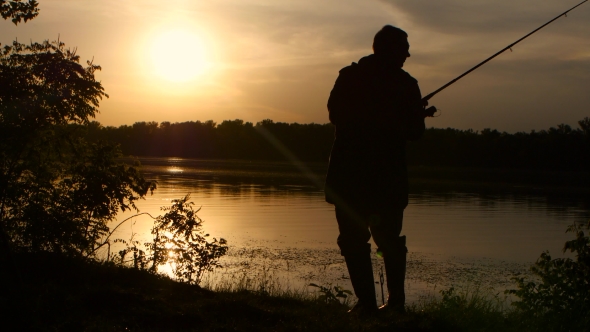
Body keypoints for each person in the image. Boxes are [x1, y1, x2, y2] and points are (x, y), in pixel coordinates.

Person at [325, 25, 435, 314]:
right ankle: (384, 304)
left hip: (355, 176)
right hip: (378, 177)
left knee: (365, 240)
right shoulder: (404, 84)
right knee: (375, 240)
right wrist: (410, 116)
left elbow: (338, 115)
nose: (408, 54)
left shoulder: (351, 77)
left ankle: (377, 304)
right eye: (403, 48)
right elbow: (413, 131)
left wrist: (412, 116)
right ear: (385, 48)